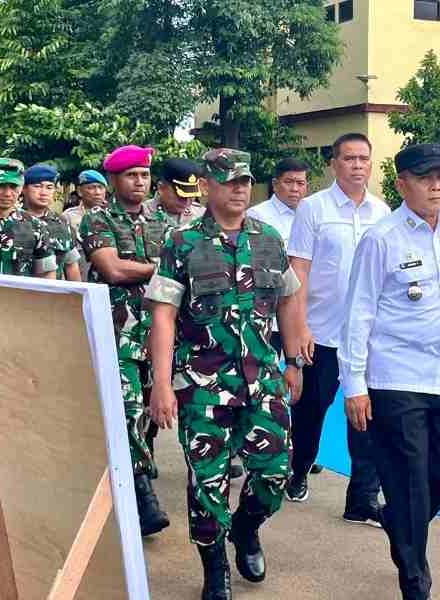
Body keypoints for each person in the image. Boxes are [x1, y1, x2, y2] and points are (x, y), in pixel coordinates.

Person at [146, 148, 303, 600]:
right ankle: (215, 567)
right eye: (229, 181)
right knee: (208, 484)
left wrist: (294, 362)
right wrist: (161, 384)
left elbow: (289, 299)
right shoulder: (182, 242)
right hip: (203, 385)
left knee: (275, 473)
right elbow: (163, 316)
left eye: (244, 181)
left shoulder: (269, 238)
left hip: (263, 380)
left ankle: (247, 528)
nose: (239, 189)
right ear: (206, 186)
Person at [339, 144, 440, 600]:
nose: (436, 185)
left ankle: (398, 519)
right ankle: (414, 578)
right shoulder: (382, 239)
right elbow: (358, 314)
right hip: (395, 376)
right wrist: (354, 386)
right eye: (424, 177)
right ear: (402, 184)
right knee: (410, 478)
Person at [284, 133, 389, 519]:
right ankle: (298, 470)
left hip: (368, 338)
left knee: (367, 416)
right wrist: (301, 328)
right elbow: (298, 270)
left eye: (363, 158)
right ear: (333, 164)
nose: (357, 165)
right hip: (322, 333)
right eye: (349, 158)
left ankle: (362, 499)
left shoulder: (382, 212)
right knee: (311, 412)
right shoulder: (313, 209)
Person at [79, 145, 170, 536]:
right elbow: (113, 269)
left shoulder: (162, 222)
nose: (139, 182)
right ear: (114, 180)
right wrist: (161, 269)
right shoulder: (97, 219)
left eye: (144, 175)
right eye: (131, 175)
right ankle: (143, 495)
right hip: (118, 332)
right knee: (128, 410)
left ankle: (128, 478)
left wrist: (154, 272)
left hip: (158, 333)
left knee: (150, 413)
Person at [247, 157, 309, 355]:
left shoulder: (311, 214)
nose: (295, 189)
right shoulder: (257, 216)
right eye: (289, 182)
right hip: (270, 314)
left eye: (300, 183)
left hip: (305, 313)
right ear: (275, 184)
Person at [22, 164, 82, 281]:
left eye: (49, 187)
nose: (43, 192)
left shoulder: (62, 223)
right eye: (37, 186)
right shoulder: (14, 221)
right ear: (24, 189)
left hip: (54, 290)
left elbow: (71, 266)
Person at [62, 169, 109, 280]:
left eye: (101, 187)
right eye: (92, 188)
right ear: (79, 191)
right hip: (79, 275)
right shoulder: (68, 216)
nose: (97, 192)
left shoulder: (113, 215)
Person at [143, 158, 205, 227]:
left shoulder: (201, 214)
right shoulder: (142, 213)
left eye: (191, 196)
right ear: (161, 188)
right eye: (182, 196)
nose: (187, 201)